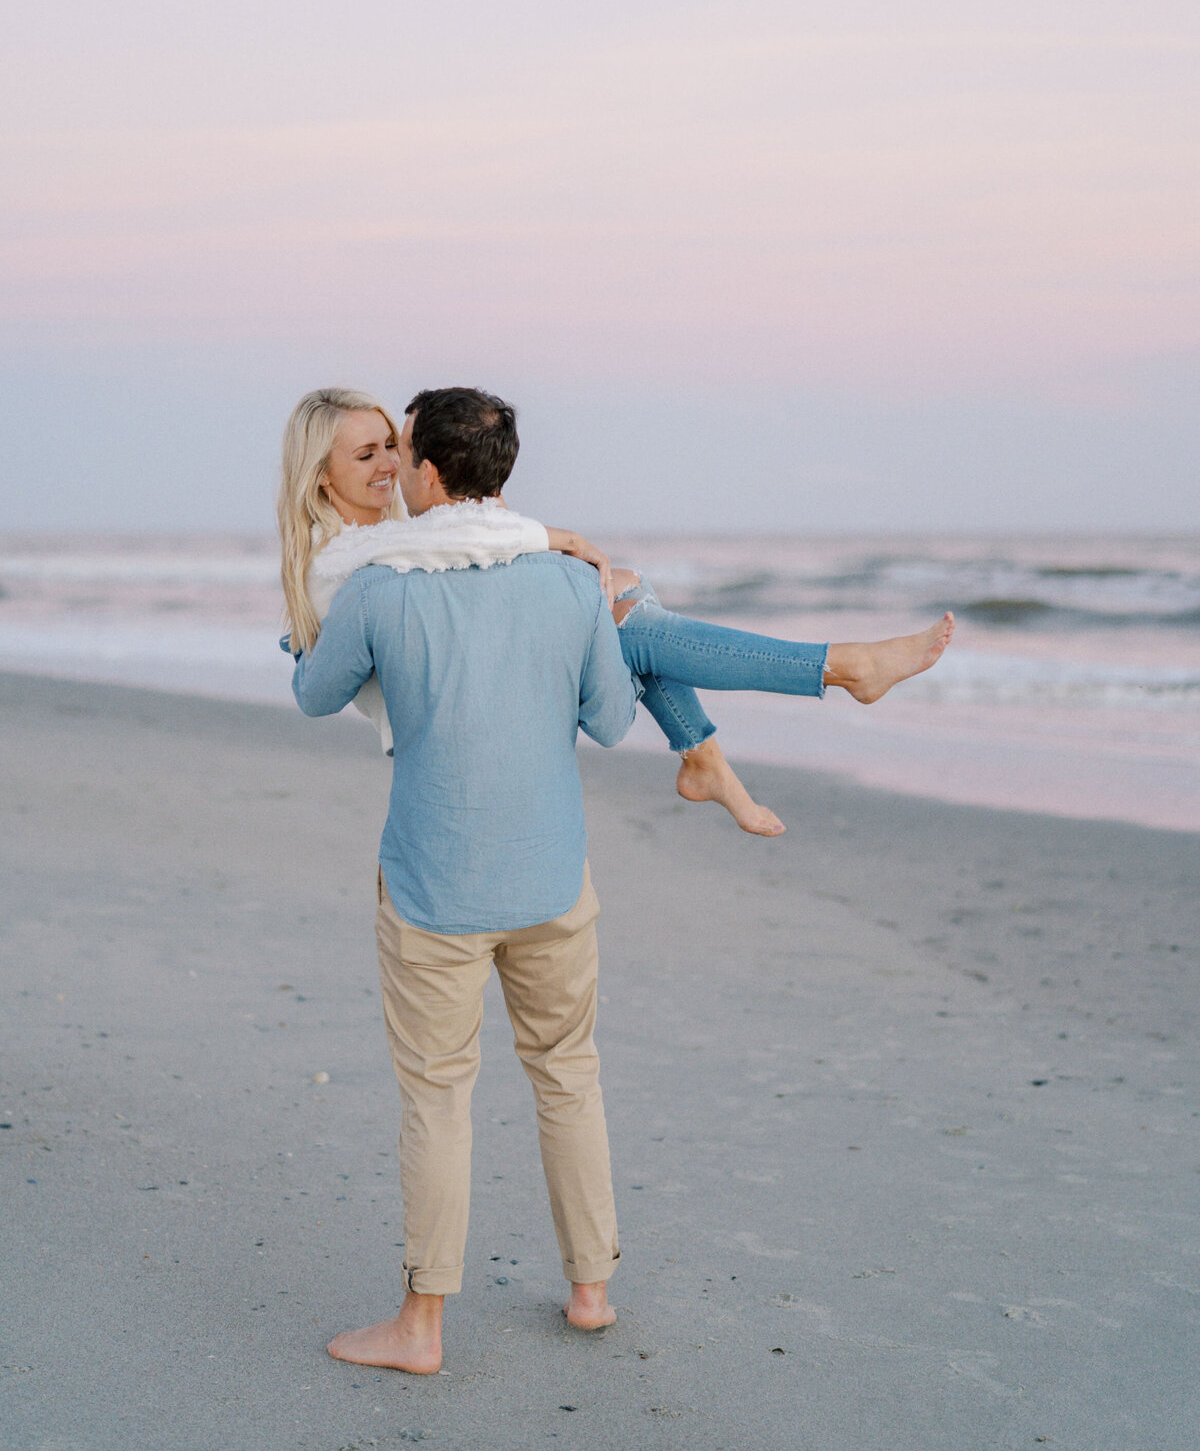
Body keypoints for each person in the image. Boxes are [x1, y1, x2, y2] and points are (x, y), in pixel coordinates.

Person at [289, 386, 641, 1372]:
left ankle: (422, 1327)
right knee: (568, 1074)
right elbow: (611, 724)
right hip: (550, 878)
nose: (392, 470)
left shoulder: (377, 592)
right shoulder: (568, 583)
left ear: (431, 474)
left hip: (435, 886)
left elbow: (315, 696)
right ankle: (591, 1289)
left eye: (401, 454)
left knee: (439, 1098)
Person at [278, 388, 954, 839]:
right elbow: (464, 537)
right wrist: (559, 541)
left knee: (626, 596)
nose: (392, 464)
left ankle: (709, 752)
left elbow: (460, 539)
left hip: (488, 678)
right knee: (625, 604)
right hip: (456, 707)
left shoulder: (396, 536)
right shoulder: (342, 560)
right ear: (320, 475)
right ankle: (831, 671)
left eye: (392, 446)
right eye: (367, 454)